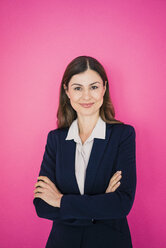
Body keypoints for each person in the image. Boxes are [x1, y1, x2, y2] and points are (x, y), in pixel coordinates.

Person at [33, 55, 136, 248]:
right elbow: (42, 206)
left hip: (109, 242)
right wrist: (100, 204)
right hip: (62, 243)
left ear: (104, 88)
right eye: (78, 88)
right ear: (67, 91)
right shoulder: (55, 140)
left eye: (94, 87)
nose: (86, 96)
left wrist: (61, 200)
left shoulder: (123, 136)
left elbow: (122, 204)